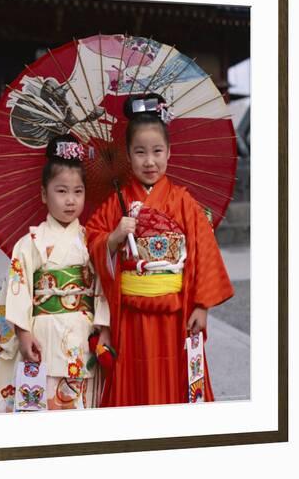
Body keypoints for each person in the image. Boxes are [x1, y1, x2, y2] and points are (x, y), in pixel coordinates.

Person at [86, 93, 234, 407]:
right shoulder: (117, 202)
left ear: (169, 152)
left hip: (176, 312)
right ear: (128, 154)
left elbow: (204, 252)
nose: (149, 161)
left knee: (177, 378)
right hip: (132, 315)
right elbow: (91, 242)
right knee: (135, 381)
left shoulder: (183, 202)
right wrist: (114, 237)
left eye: (156, 151)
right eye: (140, 152)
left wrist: (202, 306)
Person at [0, 134, 110, 412]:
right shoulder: (29, 243)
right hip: (41, 334)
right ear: (44, 194)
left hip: (82, 334)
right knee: (41, 402)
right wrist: (22, 335)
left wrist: (104, 329)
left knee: (81, 403)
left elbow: (102, 287)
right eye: (61, 191)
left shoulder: (91, 240)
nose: (70, 200)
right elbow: (18, 289)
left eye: (78, 191)